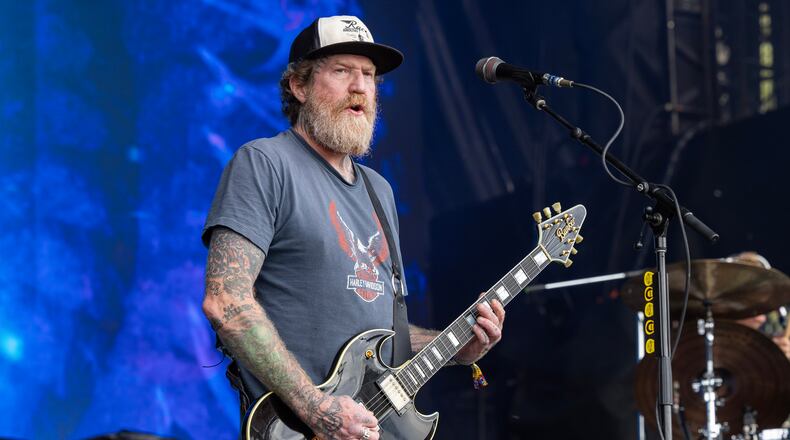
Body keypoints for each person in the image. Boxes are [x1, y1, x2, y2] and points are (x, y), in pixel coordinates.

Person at [200, 15, 506, 440]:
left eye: (369, 75)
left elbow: (384, 339)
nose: (360, 86)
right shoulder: (265, 163)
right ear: (299, 86)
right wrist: (317, 408)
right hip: (294, 428)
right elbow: (225, 302)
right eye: (342, 71)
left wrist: (456, 347)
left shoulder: (379, 192)